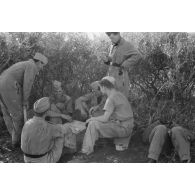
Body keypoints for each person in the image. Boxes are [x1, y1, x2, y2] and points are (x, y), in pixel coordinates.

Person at [0, 52, 48, 147]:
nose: (41, 68)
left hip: (2, 83)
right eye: (42, 64)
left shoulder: (25, 64)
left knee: (7, 114)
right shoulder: (32, 66)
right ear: (38, 62)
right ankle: (21, 142)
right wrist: (25, 100)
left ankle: (15, 139)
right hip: (9, 86)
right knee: (18, 116)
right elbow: (27, 84)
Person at [80, 76, 134, 157]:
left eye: (100, 87)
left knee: (93, 124)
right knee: (98, 122)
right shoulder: (119, 94)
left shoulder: (111, 98)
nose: (100, 89)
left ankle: (86, 151)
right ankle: (96, 142)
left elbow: (105, 119)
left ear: (104, 87)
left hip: (123, 128)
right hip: (128, 126)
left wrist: (91, 119)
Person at [21, 97, 72, 163]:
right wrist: (69, 124)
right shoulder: (49, 127)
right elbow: (65, 129)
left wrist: (61, 115)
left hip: (26, 159)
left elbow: (47, 113)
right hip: (42, 160)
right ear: (47, 112)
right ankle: (66, 153)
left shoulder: (27, 123)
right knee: (60, 135)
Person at [103, 32, 141, 98]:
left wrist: (124, 64)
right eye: (109, 36)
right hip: (110, 76)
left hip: (120, 77)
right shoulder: (112, 45)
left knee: (120, 101)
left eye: (112, 37)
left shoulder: (126, 45)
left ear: (118, 34)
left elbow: (138, 55)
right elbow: (113, 61)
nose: (111, 39)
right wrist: (106, 60)